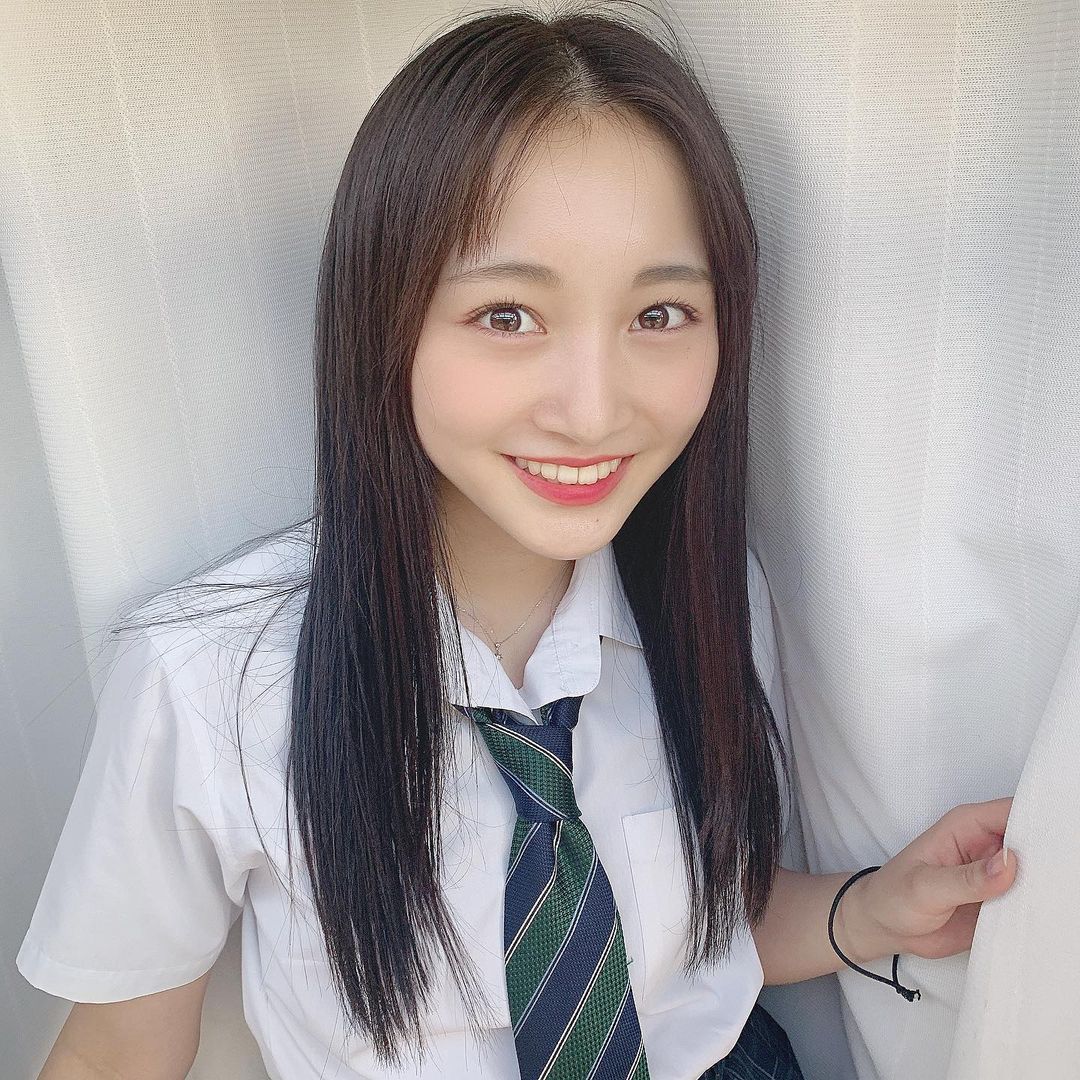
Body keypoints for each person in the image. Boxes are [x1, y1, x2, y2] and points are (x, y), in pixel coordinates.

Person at [17, 5, 1017, 1079]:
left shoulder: (709, 598)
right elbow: (116, 1055)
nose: (593, 410)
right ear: (382, 318)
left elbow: (686, 942)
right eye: (507, 316)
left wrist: (873, 909)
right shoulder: (210, 681)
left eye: (660, 315)